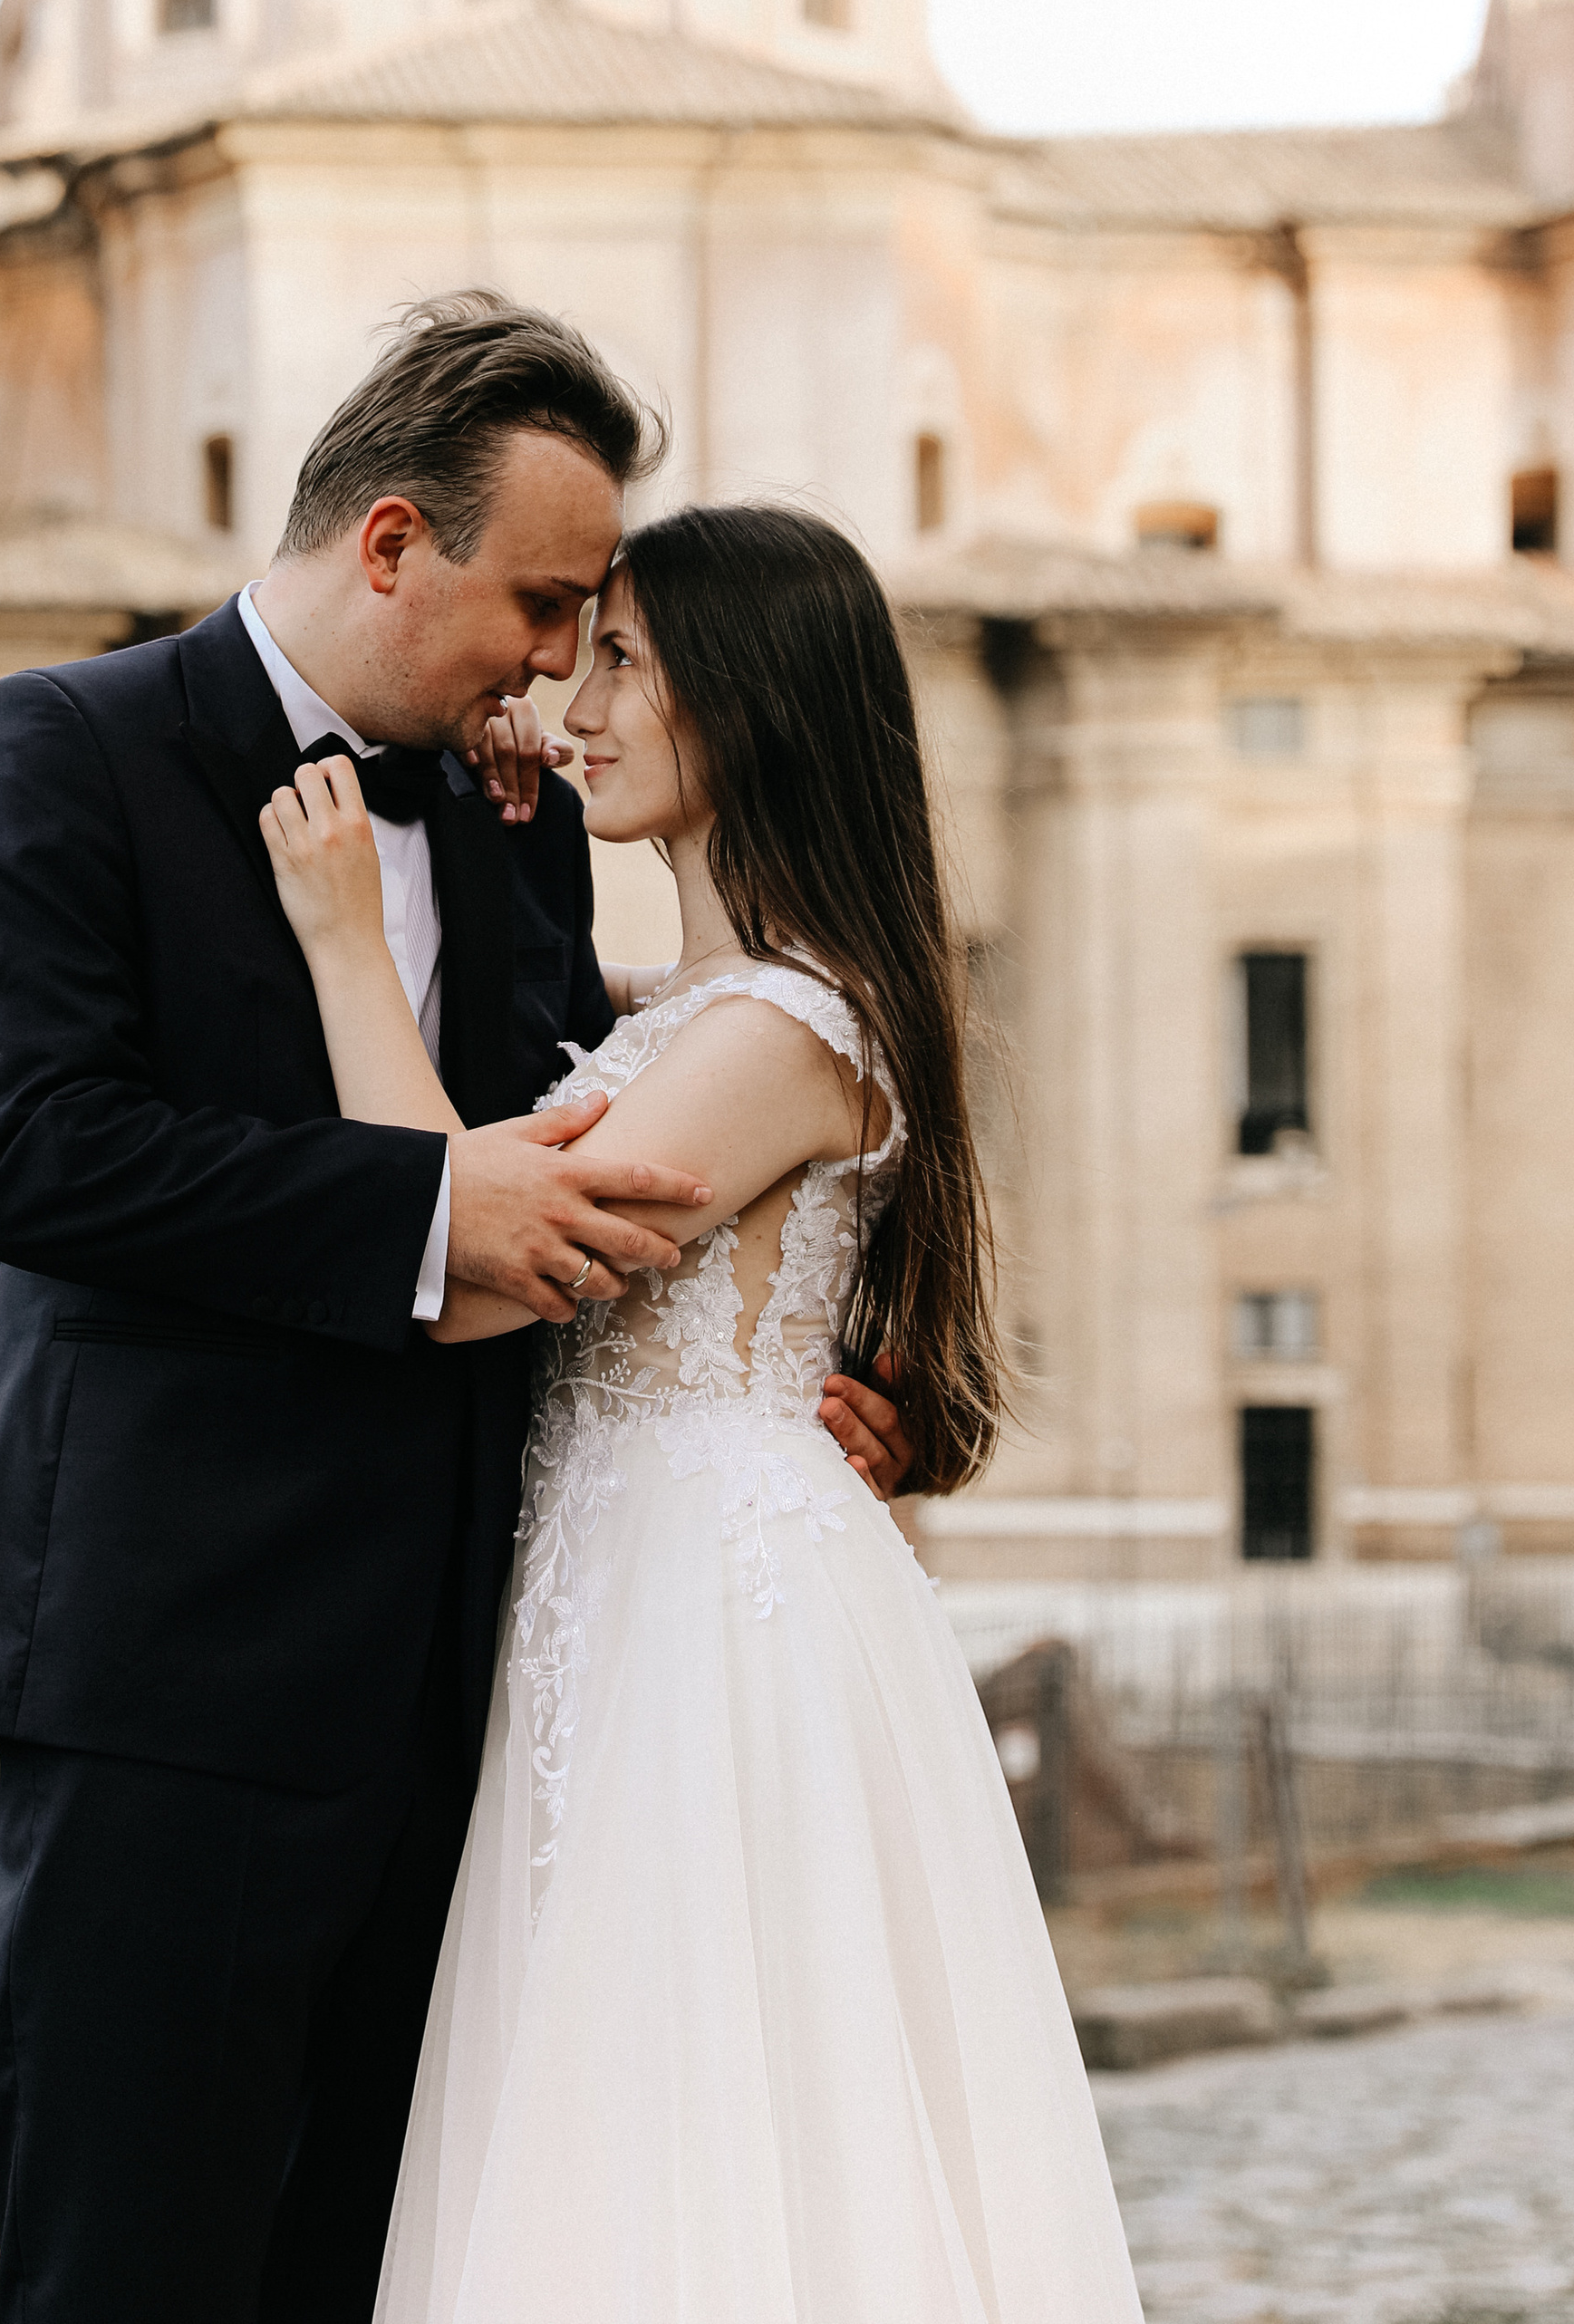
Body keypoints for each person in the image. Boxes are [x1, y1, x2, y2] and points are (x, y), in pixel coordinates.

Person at [0, 298, 913, 2324]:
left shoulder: (503, 814)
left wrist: (798, 1392)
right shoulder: (62, 749)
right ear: (388, 544)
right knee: (132, 2271)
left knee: (391, 2270)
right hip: (176, 1676)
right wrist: (420, 1201)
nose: (559, 663)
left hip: (487, 1695)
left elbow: (649, 1141)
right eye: (544, 602)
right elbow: (32, 1151)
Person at [260, 500, 1146, 2324]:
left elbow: (486, 1268)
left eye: (623, 664)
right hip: (620, 1587)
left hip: (704, 1622)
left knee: (690, 2100)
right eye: (575, 655)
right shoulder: (694, 1011)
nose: (571, 703)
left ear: (746, 703)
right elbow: (568, 1045)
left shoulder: (787, 1031)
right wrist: (504, 851)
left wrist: (346, 942)